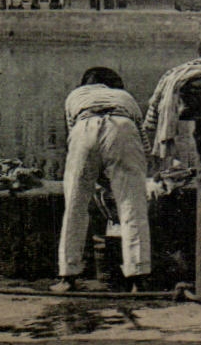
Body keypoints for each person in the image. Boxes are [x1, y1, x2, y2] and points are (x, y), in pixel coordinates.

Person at [53, 67, 151, 293]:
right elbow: (143, 143)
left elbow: (73, 136)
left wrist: (95, 175)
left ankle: (68, 277)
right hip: (123, 127)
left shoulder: (75, 96)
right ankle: (138, 278)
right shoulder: (126, 98)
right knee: (132, 207)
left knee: (75, 207)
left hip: (83, 128)